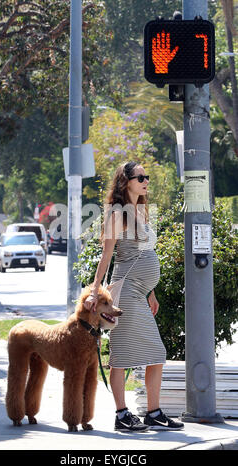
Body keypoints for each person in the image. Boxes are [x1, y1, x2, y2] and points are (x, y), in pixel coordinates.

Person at [84, 161, 184, 432]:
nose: (145, 181)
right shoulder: (117, 214)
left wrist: (151, 291)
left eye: (146, 176)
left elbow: (143, 254)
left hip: (139, 292)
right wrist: (95, 292)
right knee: (124, 356)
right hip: (125, 293)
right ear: (125, 181)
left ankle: (153, 413)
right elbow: (106, 257)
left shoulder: (140, 211)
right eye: (140, 177)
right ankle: (122, 414)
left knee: (152, 354)